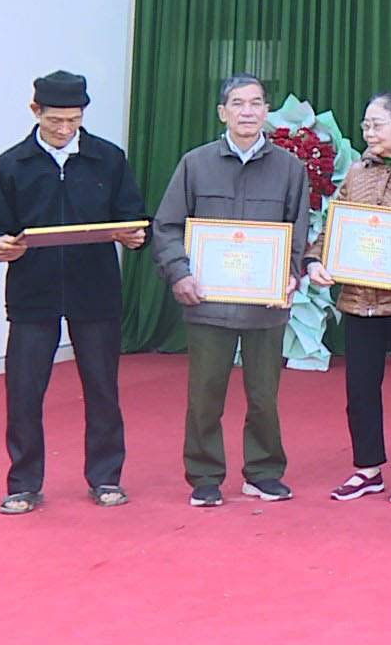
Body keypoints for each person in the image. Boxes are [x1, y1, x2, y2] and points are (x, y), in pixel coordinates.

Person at [0, 71, 148, 515]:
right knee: (24, 392)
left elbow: (134, 215)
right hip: (33, 295)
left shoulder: (108, 158)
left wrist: (133, 235)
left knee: (102, 389)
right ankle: (23, 483)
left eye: (74, 120)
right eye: (55, 120)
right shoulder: (13, 163)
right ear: (36, 112)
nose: (65, 129)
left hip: (96, 291)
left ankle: (106, 477)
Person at [151, 73, 309, 508]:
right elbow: (167, 227)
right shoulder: (195, 164)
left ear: (267, 111)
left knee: (264, 397)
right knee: (205, 395)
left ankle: (263, 472)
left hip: (265, 304)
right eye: (238, 104)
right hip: (209, 301)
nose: (247, 112)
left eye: (256, 103)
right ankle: (205, 476)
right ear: (222, 112)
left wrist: (289, 274)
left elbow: (298, 230)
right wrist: (179, 274)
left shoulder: (290, 168)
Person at [303, 91, 391, 505]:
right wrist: (314, 261)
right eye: (365, 125)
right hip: (359, 300)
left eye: (377, 124)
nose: (369, 132)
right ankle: (367, 468)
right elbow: (334, 226)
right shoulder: (356, 172)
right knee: (360, 388)